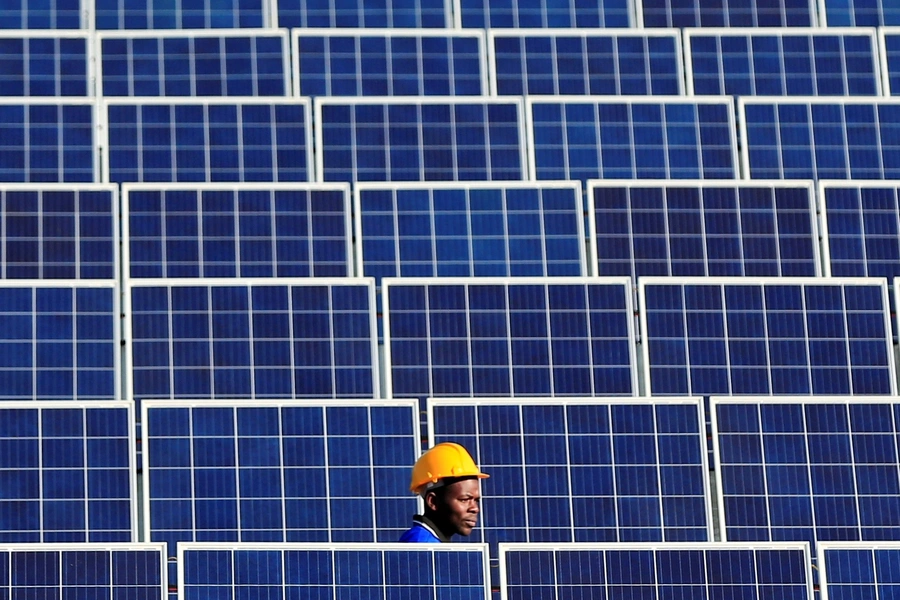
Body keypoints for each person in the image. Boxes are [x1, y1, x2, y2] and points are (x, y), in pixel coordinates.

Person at [399, 442, 489, 543]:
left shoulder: (431, 544)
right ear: (433, 501)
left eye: (476, 500)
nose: (475, 508)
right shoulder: (423, 546)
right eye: (464, 499)